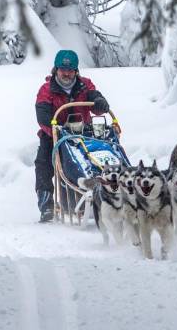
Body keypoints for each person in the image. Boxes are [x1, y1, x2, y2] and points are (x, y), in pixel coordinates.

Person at [33, 49, 112, 222]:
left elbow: (94, 99)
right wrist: (57, 130)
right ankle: (47, 206)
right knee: (43, 164)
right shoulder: (46, 89)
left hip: (83, 133)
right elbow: (43, 116)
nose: (66, 74)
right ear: (56, 70)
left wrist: (99, 102)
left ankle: (105, 193)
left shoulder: (85, 85)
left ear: (76, 71)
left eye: (70, 70)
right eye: (63, 69)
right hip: (53, 133)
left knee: (97, 157)